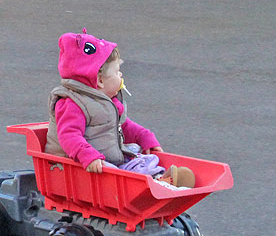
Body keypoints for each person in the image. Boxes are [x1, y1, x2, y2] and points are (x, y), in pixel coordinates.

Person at [44, 31, 195, 188]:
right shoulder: (72, 103)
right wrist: (88, 156)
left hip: (109, 156)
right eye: (117, 72)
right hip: (79, 166)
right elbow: (69, 135)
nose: (121, 75)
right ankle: (155, 184)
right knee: (114, 172)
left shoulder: (108, 102)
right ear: (100, 81)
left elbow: (123, 125)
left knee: (140, 155)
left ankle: (157, 178)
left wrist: (144, 137)